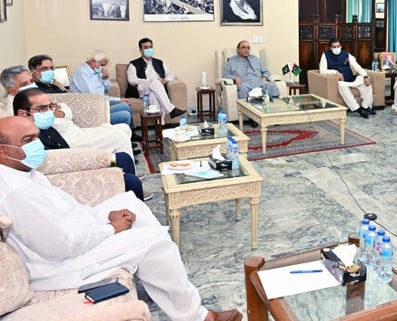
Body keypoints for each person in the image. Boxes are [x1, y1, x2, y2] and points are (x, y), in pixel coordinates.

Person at [0, 116, 243, 321]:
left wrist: (104, 216)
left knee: (129, 202)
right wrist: (110, 228)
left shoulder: (22, 170)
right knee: (154, 241)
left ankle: (167, 275)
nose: (37, 144)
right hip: (59, 265)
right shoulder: (15, 190)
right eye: (28, 140)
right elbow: (60, 245)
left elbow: (67, 209)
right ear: (3, 150)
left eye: (36, 137)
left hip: (73, 235)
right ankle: (197, 316)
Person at [12, 88, 150, 201]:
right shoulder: (24, 138)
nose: (49, 112)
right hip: (69, 170)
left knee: (124, 158)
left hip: (72, 159)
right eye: (42, 108)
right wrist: (103, 159)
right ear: (23, 114)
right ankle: (128, 195)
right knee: (126, 168)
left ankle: (126, 193)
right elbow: (51, 161)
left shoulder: (42, 126)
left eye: (50, 107)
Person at [70, 50, 134, 129]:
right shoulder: (82, 73)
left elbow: (106, 91)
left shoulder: (96, 70)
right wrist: (118, 99)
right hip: (90, 110)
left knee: (126, 106)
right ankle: (123, 135)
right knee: (125, 115)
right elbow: (95, 97)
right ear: (93, 61)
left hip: (99, 104)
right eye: (102, 65)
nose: (103, 68)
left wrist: (105, 78)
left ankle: (130, 133)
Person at [126, 37, 187, 120]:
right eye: (146, 47)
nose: (149, 49)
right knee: (154, 81)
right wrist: (150, 81)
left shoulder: (159, 62)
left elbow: (170, 74)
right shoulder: (133, 64)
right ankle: (171, 109)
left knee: (153, 95)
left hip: (156, 89)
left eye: (150, 47)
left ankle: (159, 124)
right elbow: (132, 81)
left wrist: (166, 80)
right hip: (141, 89)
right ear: (140, 50)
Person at [319, 38, 374, 119]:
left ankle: (366, 107)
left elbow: (357, 67)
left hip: (351, 78)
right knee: (341, 85)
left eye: (338, 46)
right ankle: (357, 109)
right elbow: (322, 71)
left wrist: (365, 76)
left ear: (341, 46)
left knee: (366, 81)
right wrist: (335, 72)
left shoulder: (346, 54)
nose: (336, 48)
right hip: (342, 81)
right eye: (334, 47)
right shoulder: (325, 55)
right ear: (330, 48)